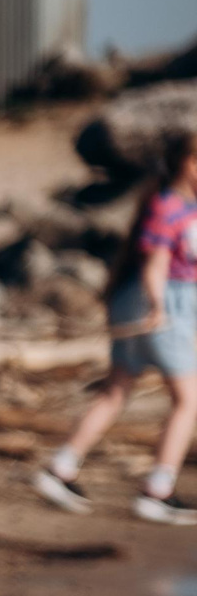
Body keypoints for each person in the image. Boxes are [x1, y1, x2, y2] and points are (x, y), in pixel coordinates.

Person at [35, 129, 197, 525]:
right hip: (160, 304)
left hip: (153, 303)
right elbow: (156, 262)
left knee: (116, 389)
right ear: (187, 163)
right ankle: (158, 490)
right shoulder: (168, 206)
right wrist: (157, 306)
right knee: (187, 400)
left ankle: (61, 467)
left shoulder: (182, 207)